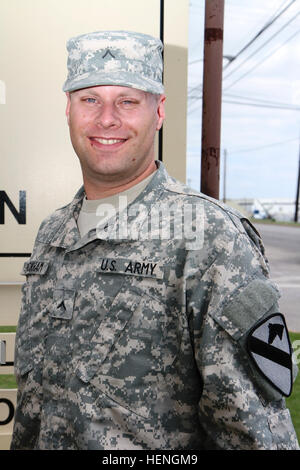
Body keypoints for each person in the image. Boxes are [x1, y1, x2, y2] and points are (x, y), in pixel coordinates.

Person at [10, 30, 299, 450]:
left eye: (127, 101)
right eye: (90, 99)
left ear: (159, 111)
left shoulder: (209, 237)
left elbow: (253, 437)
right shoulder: (52, 234)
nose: (106, 118)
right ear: (68, 109)